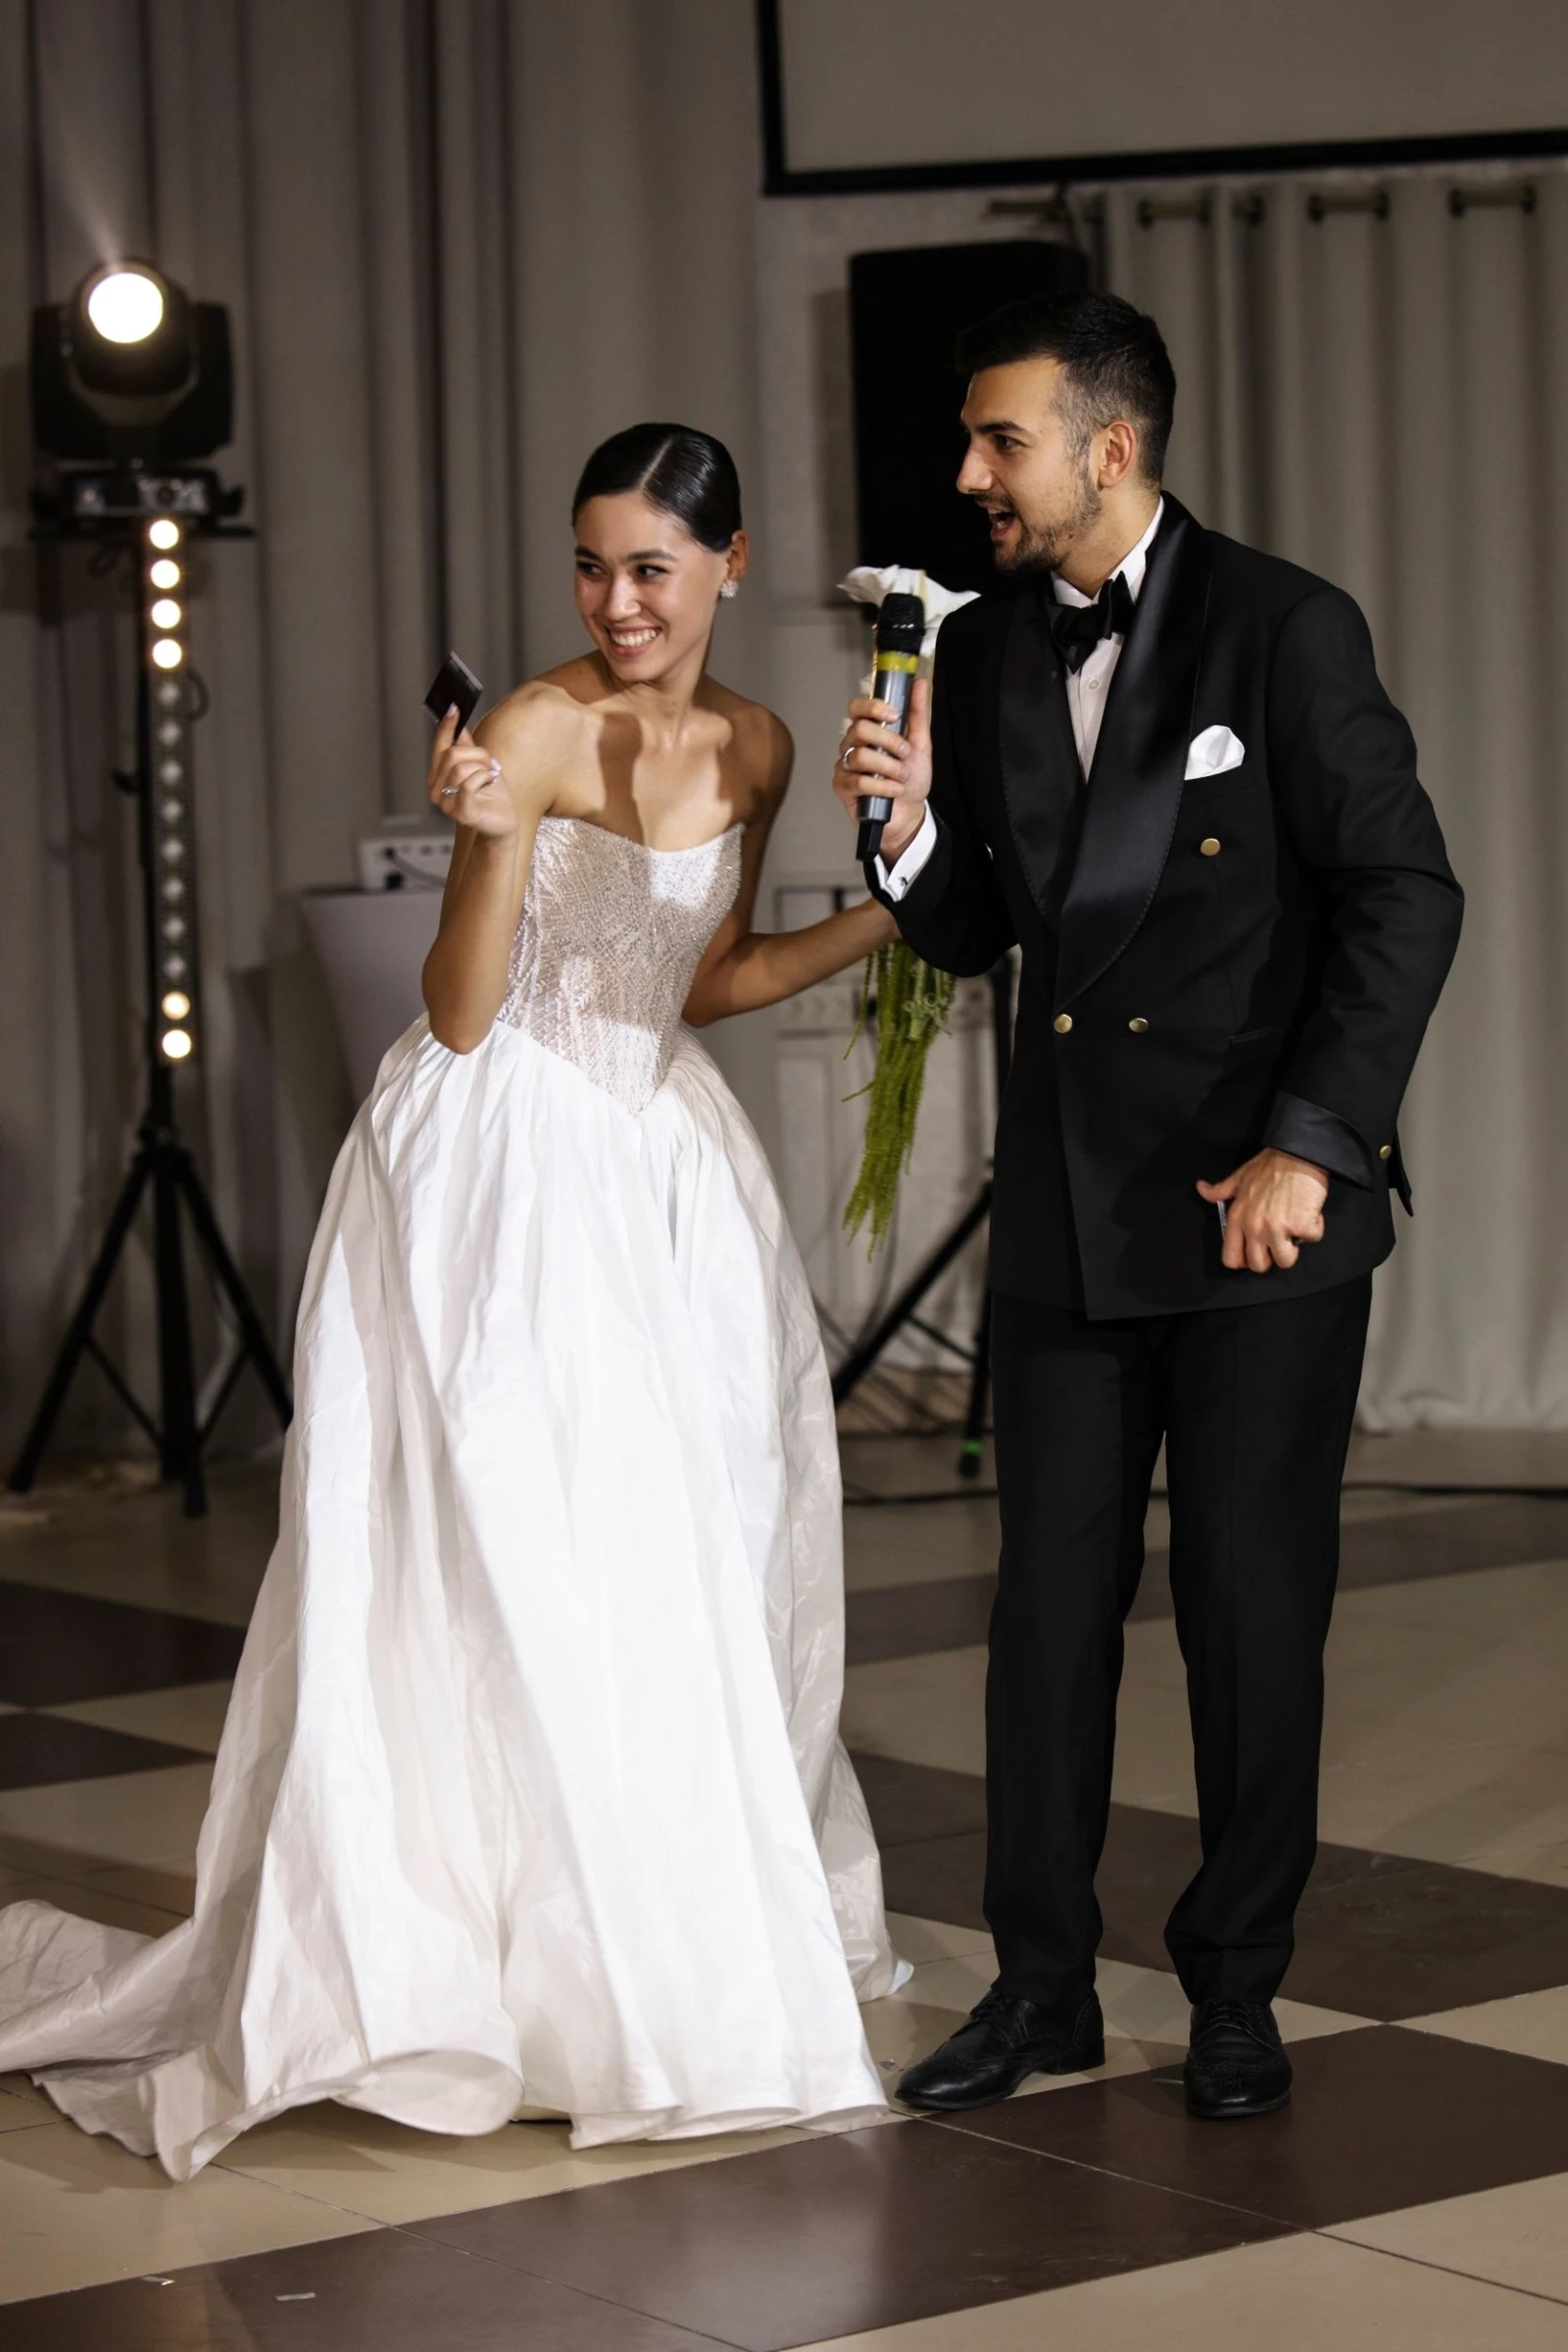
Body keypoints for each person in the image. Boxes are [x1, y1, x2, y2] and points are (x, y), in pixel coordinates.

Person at [0, 422, 906, 2180]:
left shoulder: (762, 742)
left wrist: (897, 917)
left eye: (652, 567)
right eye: (592, 566)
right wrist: (488, 838)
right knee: (502, 1548)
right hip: (501, 1157)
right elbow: (468, 1011)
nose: (617, 602)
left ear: (729, 564)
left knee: (687, 1543)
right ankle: (467, 1971)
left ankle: (646, 1953)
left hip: (662, 1165)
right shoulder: (532, 726)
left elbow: (710, 978)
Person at [835, 292, 1462, 2121]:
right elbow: (983, 934)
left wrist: (1312, 1144)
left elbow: (1404, 896)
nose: (970, 475)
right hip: (1071, 1217)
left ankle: (1236, 1985)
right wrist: (911, 829)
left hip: (1257, 1210)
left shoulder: (1285, 625)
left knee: (1251, 1617)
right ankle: (1040, 1986)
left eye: (1001, 441)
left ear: (1109, 447)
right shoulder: (978, 651)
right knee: (1045, 1619)